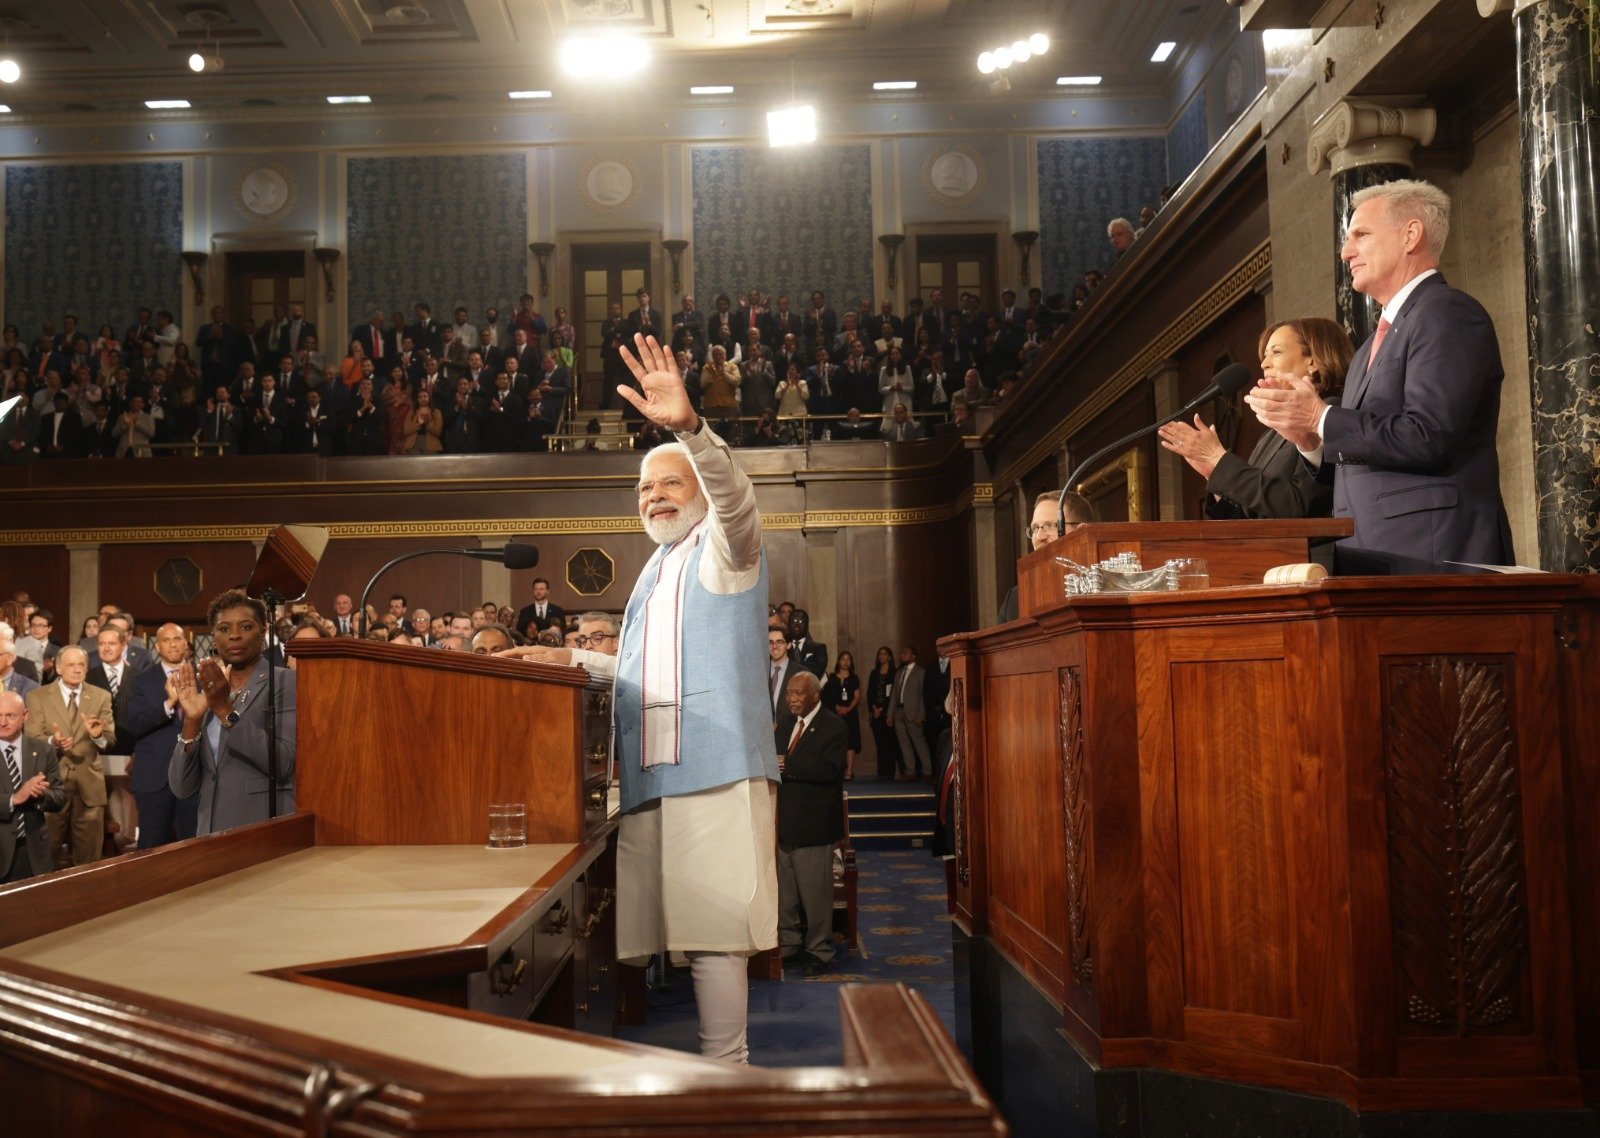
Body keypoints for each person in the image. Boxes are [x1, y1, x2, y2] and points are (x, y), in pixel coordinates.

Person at [500, 333, 780, 1064]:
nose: (652, 497)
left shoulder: (725, 550)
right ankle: (706, 1072)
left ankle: (731, 1076)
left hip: (715, 772)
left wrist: (690, 430)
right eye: (643, 490)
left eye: (668, 484)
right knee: (679, 935)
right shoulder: (655, 571)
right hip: (654, 780)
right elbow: (639, 675)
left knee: (716, 937)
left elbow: (737, 502)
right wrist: (565, 659)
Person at [1245, 178, 1514, 573]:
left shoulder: (1446, 313)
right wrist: (1310, 441)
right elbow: (1362, 461)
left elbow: (1429, 435)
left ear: (1410, 235)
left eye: (1361, 235)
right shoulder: (1370, 345)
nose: (1345, 251)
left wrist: (1320, 417)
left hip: (1435, 557)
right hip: (1371, 558)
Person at [1158, 319, 1348, 522]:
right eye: (1265, 355)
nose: (1264, 363)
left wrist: (1217, 458)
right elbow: (1247, 517)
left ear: (1313, 361)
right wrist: (1213, 470)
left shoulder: (1332, 414)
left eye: (1276, 352)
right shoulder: (1269, 437)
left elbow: (1298, 504)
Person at [169, 589, 297, 837]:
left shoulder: (283, 682)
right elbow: (181, 787)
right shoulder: (209, 690)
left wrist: (223, 708)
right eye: (224, 629)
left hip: (260, 830)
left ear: (262, 632)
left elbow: (282, 762)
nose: (235, 636)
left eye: (246, 626)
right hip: (210, 833)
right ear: (214, 637)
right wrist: (193, 720)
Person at [773, 671, 848, 976]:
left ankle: (820, 950)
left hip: (814, 826)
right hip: (784, 823)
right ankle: (789, 945)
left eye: (798, 694)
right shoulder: (786, 724)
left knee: (816, 895)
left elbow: (829, 771)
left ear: (815, 695)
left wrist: (788, 765)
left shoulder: (834, 726)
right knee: (786, 894)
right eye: (789, 693)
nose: (791, 699)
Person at [25, 645, 113, 866]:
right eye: (71, 665)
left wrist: (97, 736)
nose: (77, 669)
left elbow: (109, 739)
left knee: (90, 858)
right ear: (58, 668)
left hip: (89, 786)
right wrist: (52, 742)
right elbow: (31, 736)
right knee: (47, 852)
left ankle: (88, 900)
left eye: (81, 664)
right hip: (50, 784)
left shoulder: (101, 696)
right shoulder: (38, 696)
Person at [123, 623, 199, 848]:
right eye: (167, 640)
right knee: (152, 847)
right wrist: (169, 703)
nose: (173, 644)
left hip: (195, 774)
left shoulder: (203, 676)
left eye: (177, 639)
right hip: (154, 777)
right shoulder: (141, 680)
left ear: (186, 644)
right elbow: (135, 724)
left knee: (195, 846)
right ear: (157, 646)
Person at [996, 490, 1095, 624]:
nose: (1039, 537)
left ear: (1080, 531)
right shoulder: (1015, 599)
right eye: (1035, 528)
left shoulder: (1104, 585)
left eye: (1050, 526)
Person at [0, 690, 66, 882]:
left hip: (34, 852)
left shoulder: (43, 750)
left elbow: (60, 797)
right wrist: (15, 798)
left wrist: (40, 795)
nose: (2, 722)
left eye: (10, 715)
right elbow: (18, 796)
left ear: (25, 716)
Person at [887, 645, 928, 781]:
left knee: (919, 743)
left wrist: (920, 715)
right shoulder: (899, 672)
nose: (902, 655)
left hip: (913, 713)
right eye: (901, 653)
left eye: (905, 653)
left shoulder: (921, 672)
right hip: (899, 712)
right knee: (904, 744)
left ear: (913, 656)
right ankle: (910, 771)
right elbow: (893, 694)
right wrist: (890, 714)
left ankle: (927, 771)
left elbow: (923, 696)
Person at [820, 650, 860, 780]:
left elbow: (856, 696)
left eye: (848, 659)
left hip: (850, 714)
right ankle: (837, 771)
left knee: (851, 742)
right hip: (834, 715)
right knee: (836, 743)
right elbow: (826, 696)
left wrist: (848, 709)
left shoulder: (854, 678)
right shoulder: (831, 678)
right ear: (838, 661)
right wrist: (836, 707)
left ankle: (849, 772)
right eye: (843, 659)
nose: (846, 662)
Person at [866, 645, 900, 781]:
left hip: (889, 712)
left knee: (890, 743)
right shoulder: (874, 673)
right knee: (879, 743)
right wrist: (874, 708)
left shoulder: (894, 672)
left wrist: (883, 709)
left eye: (885, 654)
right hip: (875, 712)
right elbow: (870, 693)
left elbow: (893, 694)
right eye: (880, 654)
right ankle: (882, 772)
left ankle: (890, 771)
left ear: (890, 657)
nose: (882, 656)